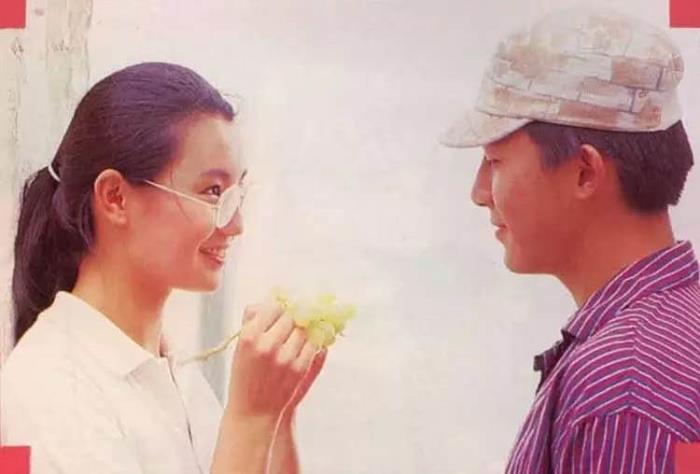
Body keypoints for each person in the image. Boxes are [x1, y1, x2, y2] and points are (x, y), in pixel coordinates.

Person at [0, 62, 326, 474]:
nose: (235, 225)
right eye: (213, 192)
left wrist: (278, 414)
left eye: (236, 193)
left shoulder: (172, 369)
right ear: (115, 197)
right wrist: (251, 418)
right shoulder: (52, 387)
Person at [441, 7, 699, 473]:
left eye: (494, 162)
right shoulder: (672, 336)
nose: (479, 193)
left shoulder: (622, 392)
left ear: (584, 171)